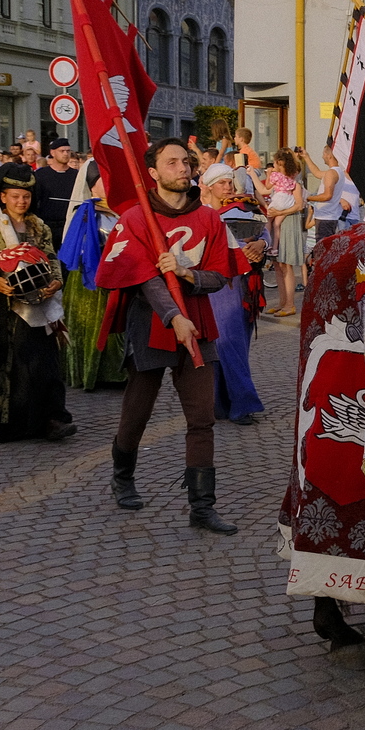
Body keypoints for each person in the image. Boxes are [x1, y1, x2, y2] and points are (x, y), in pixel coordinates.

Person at [98, 138, 237, 533]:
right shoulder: (136, 218)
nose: (182, 168)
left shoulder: (209, 218)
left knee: (202, 417)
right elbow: (141, 278)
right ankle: (122, 477)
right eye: (171, 162)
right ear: (153, 173)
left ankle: (202, 506)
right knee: (137, 414)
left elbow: (219, 277)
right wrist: (173, 315)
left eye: (186, 162)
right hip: (151, 326)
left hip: (199, 325)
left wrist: (186, 273)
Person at [0, 163, 76, 442]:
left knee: (45, 362)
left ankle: (51, 419)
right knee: (9, 365)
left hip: (41, 305)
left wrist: (57, 281)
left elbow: (51, 257)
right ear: (3, 197)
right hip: (5, 309)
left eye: (25, 197)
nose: (21, 202)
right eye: (15, 196)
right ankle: (11, 422)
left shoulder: (39, 226)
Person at [200, 162, 265, 424]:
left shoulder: (247, 208)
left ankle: (223, 403)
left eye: (229, 182)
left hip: (246, 284)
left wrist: (260, 243)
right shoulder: (203, 214)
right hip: (220, 284)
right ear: (210, 187)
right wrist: (242, 250)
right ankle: (240, 404)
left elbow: (265, 233)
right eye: (221, 183)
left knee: (237, 344)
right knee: (227, 343)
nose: (227, 187)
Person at [56, 161, 127, 390]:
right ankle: (92, 372)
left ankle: (118, 371)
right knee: (91, 324)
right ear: (92, 186)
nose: (108, 186)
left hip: (118, 274)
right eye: (102, 182)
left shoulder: (122, 209)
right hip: (90, 277)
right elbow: (79, 247)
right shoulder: (86, 211)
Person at [263, 150, 305, 317]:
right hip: (278, 223)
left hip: (289, 222)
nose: (277, 168)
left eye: (280, 165)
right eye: (276, 165)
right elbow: (265, 190)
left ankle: (290, 304)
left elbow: (299, 205)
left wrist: (281, 213)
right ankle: (281, 302)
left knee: (286, 264)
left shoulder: (295, 184)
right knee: (278, 265)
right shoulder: (278, 183)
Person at [31, 138, 77, 238]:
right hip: (47, 226)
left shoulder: (77, 175)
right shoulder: (40, 174)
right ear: (53, 152)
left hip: (70, 226)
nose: (65, 154)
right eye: (62, 151)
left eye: (68, 151)